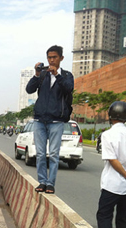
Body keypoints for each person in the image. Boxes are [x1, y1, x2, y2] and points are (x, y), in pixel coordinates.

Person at [26, 45, 74, 194]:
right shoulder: (42, 75)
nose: (51, 60)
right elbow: (29, 89)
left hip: (56, 121)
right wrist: (36, 73)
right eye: (49, 57)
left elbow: (68, 89)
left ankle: (50, 183)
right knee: (40, 154)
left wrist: (57, 75)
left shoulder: (66, 76)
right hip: (40, 119)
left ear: (61, 58)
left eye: (54, 57)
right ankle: (42, 181)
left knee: (53, 154)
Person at [96, 101, 126, 228]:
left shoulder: (107, 135)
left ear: (110, 116)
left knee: (104, 216)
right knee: (122, 219)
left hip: (111, 185)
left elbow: (112, 159)